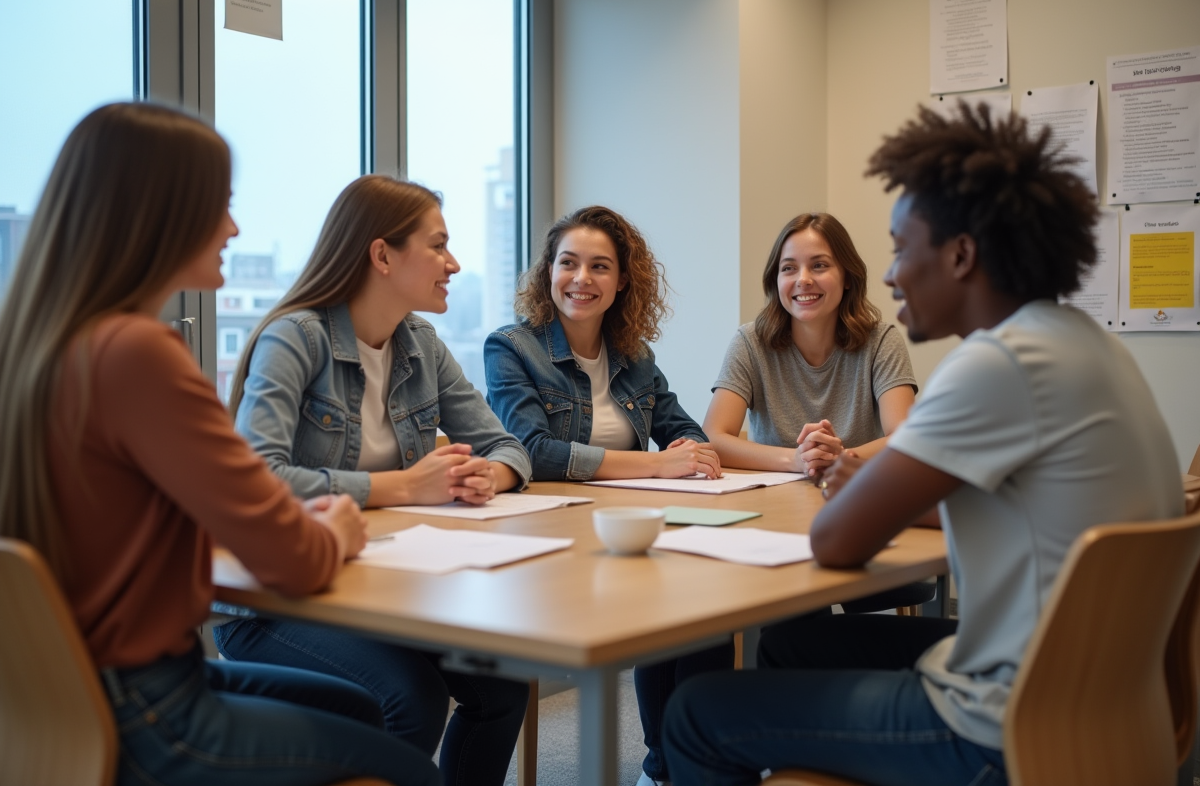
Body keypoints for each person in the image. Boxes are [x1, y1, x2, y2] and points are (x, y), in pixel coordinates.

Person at [662, 103, 1184, 785]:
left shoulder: (999, 363)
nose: (890, 274)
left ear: (961, 256)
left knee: (696, 711)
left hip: (1004, 726)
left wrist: (857, 487)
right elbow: (987, 506)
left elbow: (837, 542)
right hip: (1102, 695)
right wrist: (874, 486)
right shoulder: (1087, 346)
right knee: (795, 640)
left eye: (903, 248)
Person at [0, 102, 437, 786]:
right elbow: (293, 561)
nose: (233, 227)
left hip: (59, 687)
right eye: (220, 206)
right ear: (159, 214)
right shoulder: (139, 353)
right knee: (413, 769)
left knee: (360, 707)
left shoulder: (37, 346)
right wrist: (339, 530)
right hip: (146, 706)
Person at [213, 174, 533, 786]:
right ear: (382, 255)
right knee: (408, 701)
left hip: (382, 581)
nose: (454, 263)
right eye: (438, 245)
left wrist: (480, 476)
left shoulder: (422, 342)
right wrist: (406, 488)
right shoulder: (295, 337)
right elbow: (258, 478)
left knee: (500, 686)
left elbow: (508, 447)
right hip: (275, 597)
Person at [484, 205, 730, 786]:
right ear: (548, 272)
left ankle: (675, 766)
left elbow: (684, 430)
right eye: (568, 263)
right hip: (550, 536)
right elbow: (533, 450)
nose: (581, 279)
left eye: (600, 267)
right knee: (669, 604)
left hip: (629, 526)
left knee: (707, 610)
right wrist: (655, 465)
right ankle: (664, 763)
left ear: (622, 282)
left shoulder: (635, 356)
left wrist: (692, 454)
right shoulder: (511, 347)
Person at [703, 212, 916, 479]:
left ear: (848, 277)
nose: (803, 279)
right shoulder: (749, 343)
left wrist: (842, 458)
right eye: (789, 268)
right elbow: (713, 437)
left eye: (819, 265)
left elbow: (906, 438)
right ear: (776, 280)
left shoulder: (882, 341)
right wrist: (795, 459)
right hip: (772, 498)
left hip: (853, 492)